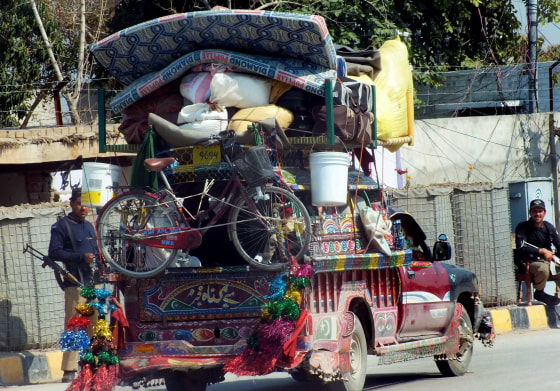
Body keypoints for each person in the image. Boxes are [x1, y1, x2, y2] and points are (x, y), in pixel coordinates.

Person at [48, 188, 98, 382]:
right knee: (73, 326)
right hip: (74, 283)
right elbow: (54, 253)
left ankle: (93, 364)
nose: (83, 208)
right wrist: (80, 257)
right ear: (71, 204)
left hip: (92, 283)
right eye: (79, 203)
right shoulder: (61, 226)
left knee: (94, 326)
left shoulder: (89, 227)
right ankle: (69, 370)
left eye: (86, 204)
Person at [515, 199, 560, 306]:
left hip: (549, 261)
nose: (537, 214)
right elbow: (521, 247)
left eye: (540, 211)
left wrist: (554, 256)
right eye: (534, 211)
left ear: (544, 213)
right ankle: (539, 293)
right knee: (542, 269)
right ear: (530, 213)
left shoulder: (548, 227)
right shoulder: (523, 227)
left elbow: (558, 245)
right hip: (531, 262)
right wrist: (542, 251)